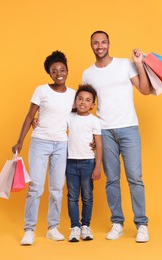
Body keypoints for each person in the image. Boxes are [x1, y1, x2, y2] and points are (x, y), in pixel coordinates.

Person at [82, 30, 152, 243]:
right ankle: (117, 223)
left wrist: (139, 63)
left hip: (129, 127)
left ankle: (141, 224)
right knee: (111, 179)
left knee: (134, 177)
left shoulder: (124, 64)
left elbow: (145, 90)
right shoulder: (88, 74)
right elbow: (84, 104)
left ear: (109, 44)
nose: (100, 46)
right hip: (105, 131)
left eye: (103, 42)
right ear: (91, 46)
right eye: (96, 43)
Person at [12, 50, 76, 245]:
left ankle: (52, 228)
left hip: (61, 144)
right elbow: (30, 116)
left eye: (62, 69)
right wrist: (20, 140)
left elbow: (78, 118)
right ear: (50, 73)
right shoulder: (41, 90)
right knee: (36, 187)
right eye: (54, 70)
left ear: (67, 71)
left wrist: (91, 139)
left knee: (57, 188)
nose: (59, 73)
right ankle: (29, 230)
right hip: (40, 142)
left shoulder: (73, 94)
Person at [66, 84, 103, 242]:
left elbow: (99, 144)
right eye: (80, 99)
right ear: (75, 101)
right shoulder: (69, 116)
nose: (83, 102)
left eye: (88, 100)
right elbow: (54, 125)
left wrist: (98, 166)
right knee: (72, 196)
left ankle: (85, 226)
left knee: (87, 196)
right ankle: (75, 227)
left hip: (88, 162)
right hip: (70, 163)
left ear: (93, 105)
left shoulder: (94, 121)